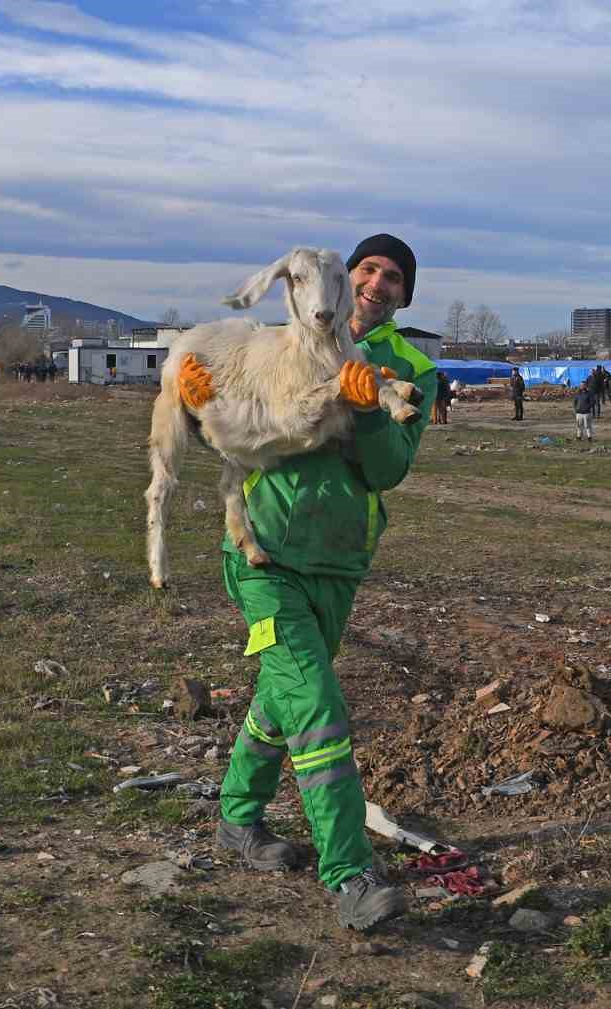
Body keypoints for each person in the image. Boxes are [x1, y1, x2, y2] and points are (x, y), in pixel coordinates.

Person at [178, 233, 436, 932]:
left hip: (339, 562)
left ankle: (237, 821)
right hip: (264, 555)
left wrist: (368, 405)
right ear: (342, 281)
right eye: (368, 269)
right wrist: (198, 412)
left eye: (394, 277)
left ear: (405, 295)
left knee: (280, 697)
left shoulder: (413, 367)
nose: (378, 283)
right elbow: (236, 433)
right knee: (317, 706)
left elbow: (386, 471)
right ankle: (350, 872)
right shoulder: (269, 346)